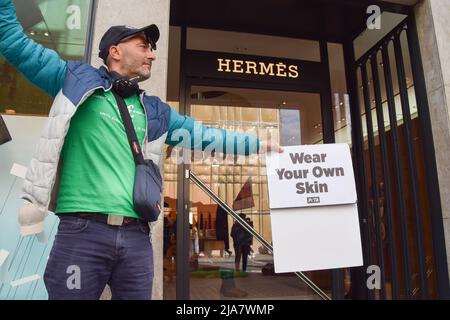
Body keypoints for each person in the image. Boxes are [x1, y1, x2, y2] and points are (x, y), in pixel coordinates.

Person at [0, 0, 283, 300]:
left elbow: (205, 135)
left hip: (136, 239)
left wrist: (259, 145)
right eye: (144, 46)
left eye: (152, 48)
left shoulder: (156, 112)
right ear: (115, 51)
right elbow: (14, 43)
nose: (152, 54)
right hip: (82, 234)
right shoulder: (73, 81)